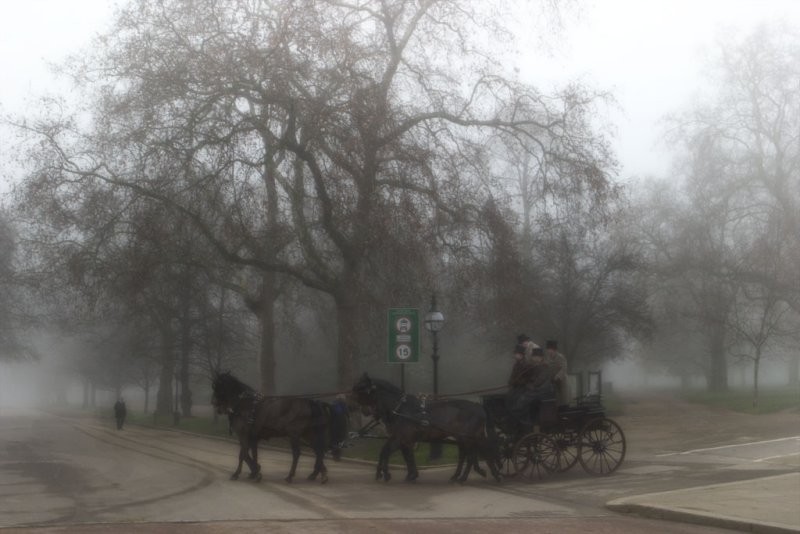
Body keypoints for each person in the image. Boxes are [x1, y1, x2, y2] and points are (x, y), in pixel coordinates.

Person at [506, 339, 556, 434]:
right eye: (534, 357)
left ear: (541, 358)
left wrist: (531, 385)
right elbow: (531, 378)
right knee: (523, 395)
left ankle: (525, 421)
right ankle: (520, 417)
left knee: (524, 398)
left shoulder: (544, 367)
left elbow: (539, 380)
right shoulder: (535, 366)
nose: (535, 358)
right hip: (536, 389)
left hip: (542, 390)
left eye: (537, 357)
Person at [545, 340, 569, 406]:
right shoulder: (548, 358)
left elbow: (564, 368)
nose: (548, 351)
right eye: (548, 349)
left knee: (564, 397)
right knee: (556, 397)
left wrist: (558, 376)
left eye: (549, 349)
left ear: (553, 349)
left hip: (562, 380)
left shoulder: (560, 357)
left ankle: (565, 409)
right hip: (553, 381)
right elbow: (547, 368)